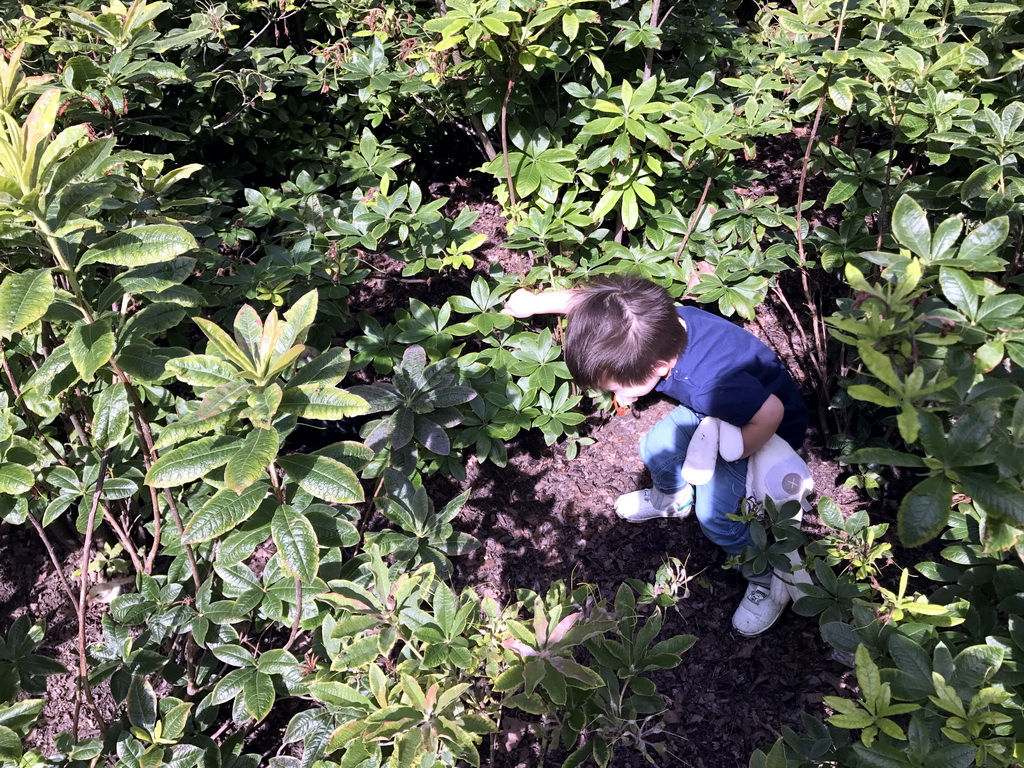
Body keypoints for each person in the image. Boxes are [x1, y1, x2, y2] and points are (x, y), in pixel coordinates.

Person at [501, 274, 808, 636]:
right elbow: (592, 302)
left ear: (659, 367)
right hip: (727, 408)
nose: (613, 392)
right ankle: (673, 500)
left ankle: (763, 577)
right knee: (654, 447)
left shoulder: (710, 385)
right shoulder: (651, 317)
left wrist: (734, 451)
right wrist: (535, 303)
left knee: (718, 518)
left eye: (616, 386)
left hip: (759, 431)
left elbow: (770, 412)